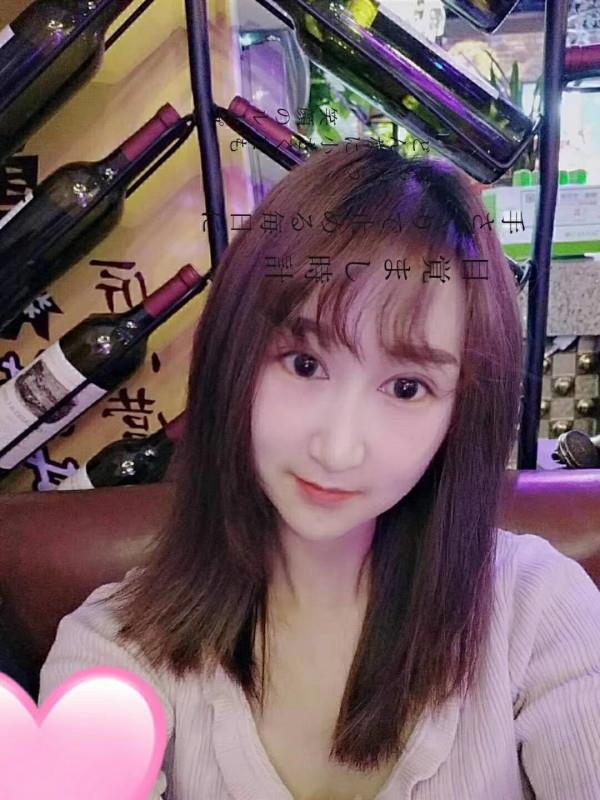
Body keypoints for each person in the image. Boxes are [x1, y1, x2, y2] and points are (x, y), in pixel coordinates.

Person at [38, 141, 600, 800]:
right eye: (304, 364)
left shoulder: (537, 610)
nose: (337, 448)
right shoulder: (113, 647)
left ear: (461, 411)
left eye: (408, 387)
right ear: (235, 357)